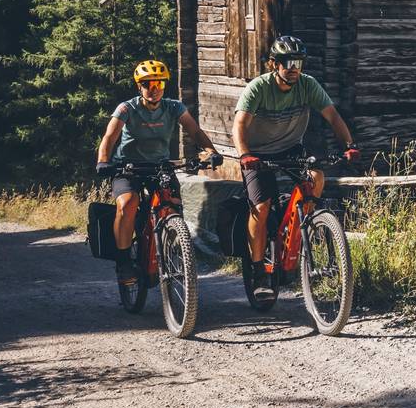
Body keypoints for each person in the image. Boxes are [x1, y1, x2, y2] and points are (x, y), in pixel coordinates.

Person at [233, 36, 360, 301]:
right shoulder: (258, 88)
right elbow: (240, 125)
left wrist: (349, 145)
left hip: (290, 148)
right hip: (257, 154)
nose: (293, 68)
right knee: (261, 207)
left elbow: (333, 116)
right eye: (287, 63)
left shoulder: (307, 85)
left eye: (298, 63)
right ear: (274, 64)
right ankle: (258, 271)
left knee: (316, 177)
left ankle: (304, 230)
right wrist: (245, 155)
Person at [95, 59, 221, 293]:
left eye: (159, 84)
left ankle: (169, 251)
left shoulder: (174, 107)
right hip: (128, 168)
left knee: (172, 206)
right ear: (139, 87)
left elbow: (195, 131)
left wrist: (211, 151)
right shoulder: (127, 109)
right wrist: (103, 161)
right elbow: (110, 137)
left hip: (160, 167)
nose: (154, 89)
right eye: (148, 84)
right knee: (128, 203)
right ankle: (124, 262)